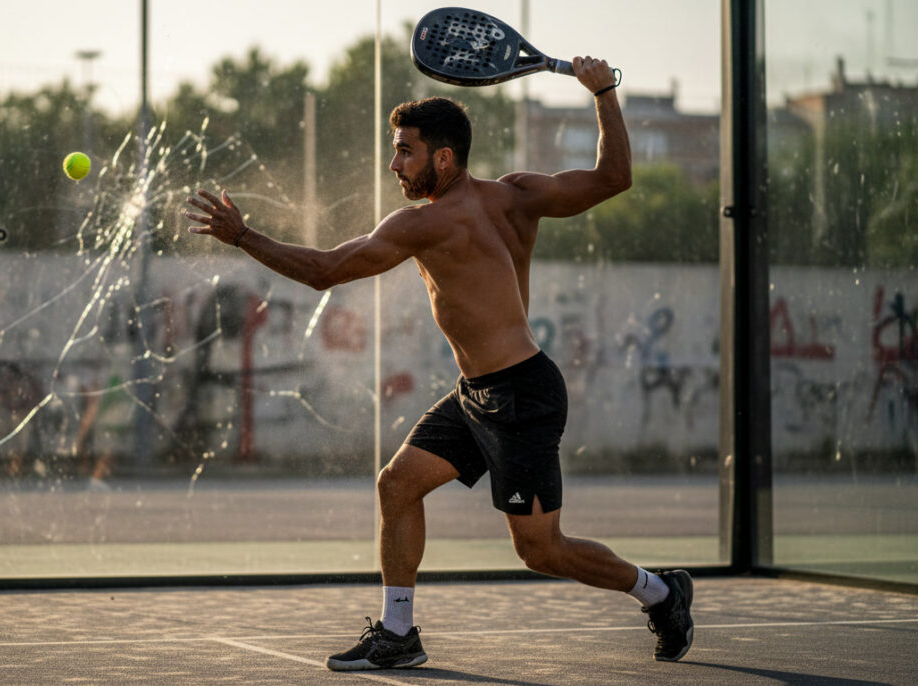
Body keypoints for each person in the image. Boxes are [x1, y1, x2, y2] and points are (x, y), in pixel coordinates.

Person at [184, 56, 694, 670]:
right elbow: (615, 176)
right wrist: (604, 92)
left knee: (541, 550)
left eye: (405, 151)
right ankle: (398, 632)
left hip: (521, 396)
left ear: (443, 158)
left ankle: (661, 592)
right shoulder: (518, 194)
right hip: (478, 392)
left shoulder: (424, 223)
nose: (394, 164)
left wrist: (243, 237)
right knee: (397, 484)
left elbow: (324, 271)